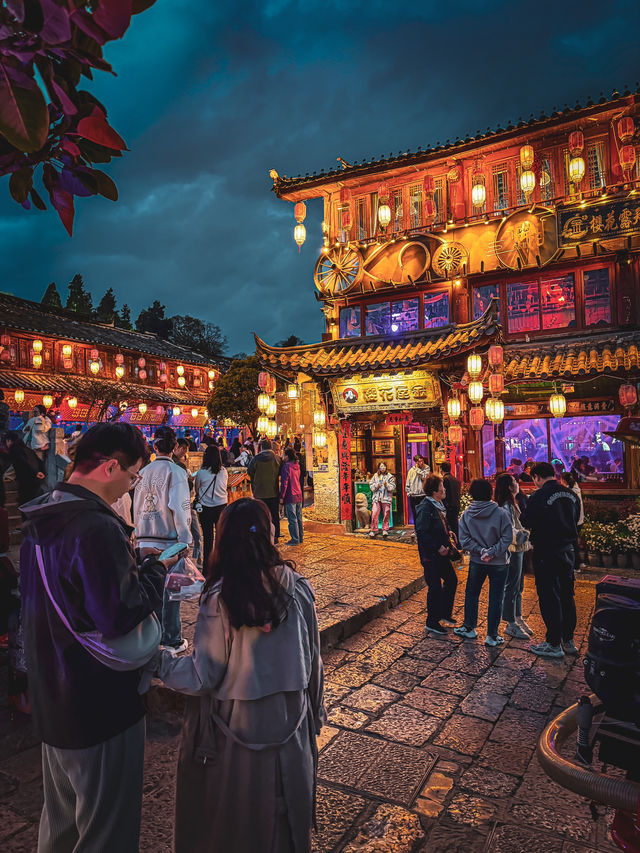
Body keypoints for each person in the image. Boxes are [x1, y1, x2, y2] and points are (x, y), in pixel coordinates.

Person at [19, 422, 177, 853]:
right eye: (133, 475)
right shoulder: (94, 526)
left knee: (60, 825)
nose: (131, 486)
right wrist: (156, 570)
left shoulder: (43, 516)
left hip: (54, 695)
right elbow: (119, 615)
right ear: (110, 467)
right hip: (99, 704)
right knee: (105, 830)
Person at [147, 498, 325, 853]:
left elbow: (202, 676)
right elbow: (314, 662)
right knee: (286, 824)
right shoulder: (298, 587)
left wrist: (159, 662)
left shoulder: (220, 598)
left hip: (238, 731)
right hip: (292, 724)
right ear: (270, 534)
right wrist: (315, 717)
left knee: (243, 826)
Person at [134, 426, 192, 656]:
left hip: (144, 539)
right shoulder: (175, 472)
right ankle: (171, 638)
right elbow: (180, 508)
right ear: (174, 447)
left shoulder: (143, 472)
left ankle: (151, 636)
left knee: (150, 588)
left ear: (154, 446)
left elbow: (136, 505)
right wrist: (185, 539)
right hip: (169, 541)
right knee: (172, 593)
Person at [521, 461, 580, 658]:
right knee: (566, 594)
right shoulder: (571, 494)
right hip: (568, 550)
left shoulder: (539, 495)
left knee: (548, 595)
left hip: (546, 550)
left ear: (537, 477)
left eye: (534, 479)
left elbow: (526, 521)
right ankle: (568, 640)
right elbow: (578, 520)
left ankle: (553, 643)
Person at [454, 478, 513, 646]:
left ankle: (469, 627)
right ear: (490, 493)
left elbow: (464, 540)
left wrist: (481, 551)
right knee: (496, 597)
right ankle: (492, 635)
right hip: (500, 563)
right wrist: (492, 552)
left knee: (472, 594)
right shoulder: (502, 513)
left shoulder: (467, 514)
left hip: (477, 561)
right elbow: (507, 537)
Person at [415, 474, 458, 635]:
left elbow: (441, 524)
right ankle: (432, 621)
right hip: (431, 555)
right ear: (435, 491)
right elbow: (422, 532)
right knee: (435, 587)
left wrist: (449, 532)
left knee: (451, 580)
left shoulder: (438, 505)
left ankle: (444, 614)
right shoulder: (426, 507)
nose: (445, 489)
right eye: (442, 487)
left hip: (442, 553)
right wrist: (437, 546)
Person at [494, 473, 532, 639]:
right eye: (515, 481)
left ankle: (518, 616)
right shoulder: (506, 506)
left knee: (519, 585)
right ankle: (510, 622)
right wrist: (526, 534)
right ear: (509, 487)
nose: (517, 483)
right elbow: (509, 530)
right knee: (512, 585)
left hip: (520, 548)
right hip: (513, 549)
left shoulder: (516, 501)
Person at [194, 445, 228, 568]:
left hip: (206, 508)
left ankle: (207, 567)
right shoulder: (223, 471)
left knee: (208, 538)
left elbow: (197, 489)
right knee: (220, 537)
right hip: (221, 506)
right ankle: (220, 565)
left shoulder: (201, 473)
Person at [247, 439, 282, 541]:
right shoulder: (277, 459)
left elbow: (250, 471)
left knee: (261, 514)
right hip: (273, 491)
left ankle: (262, 535)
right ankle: (275, 535)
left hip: (259, 492)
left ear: (261, 447)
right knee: (274, 514)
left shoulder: (256, 459)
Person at [3, 431, 46, 505]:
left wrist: (35, 473)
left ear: (9, 440)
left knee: (25, 504)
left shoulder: (15, 450)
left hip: (27, 481)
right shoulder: (27, 449)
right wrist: (42, 472)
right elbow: (40, 462)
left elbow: (23, 462)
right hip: (36, 481)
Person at [280, 447, 303, 545]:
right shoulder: (296, 465)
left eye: (284, 455)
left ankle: (294, 539)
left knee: (292, 519)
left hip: (290, 495)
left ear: (287, 456)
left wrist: (281, 497)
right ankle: (300, 538)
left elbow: (284, 483)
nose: (282, 456)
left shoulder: (286, 466)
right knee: (299, 518)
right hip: (298, 494)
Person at [561, 471, 584, 572]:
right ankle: (579, 562)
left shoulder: (570, 492)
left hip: (574, 521)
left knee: (573, 543)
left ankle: (576, 565)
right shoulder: (576, 489)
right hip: (580, 520)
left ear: (564, 480)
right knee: (575, 542)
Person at [368, 462, 395, 539]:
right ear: (378, 468)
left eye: (384, 466)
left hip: (386, 498)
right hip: (377, 498)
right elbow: (371, 485)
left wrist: (387, 485)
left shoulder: (390, 476)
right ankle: (374, 529)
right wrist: (377, 485)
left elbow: (392, 487)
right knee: (374, 512)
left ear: (386, 467)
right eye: (381, 466)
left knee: (386, 513)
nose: (382, 468)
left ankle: (385, 529)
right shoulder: (375, 476)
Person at [440, 461, 461, 537]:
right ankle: (458, 543)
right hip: (456, 504)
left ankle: (456, 543)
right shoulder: (455, 479)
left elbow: (445, 494)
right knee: (455, 525)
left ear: (441, 469)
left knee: (451, 526)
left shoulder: (445, 479)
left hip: (449, 506)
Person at [406, 454, 429, 521]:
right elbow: (408, 481)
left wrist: (417, 469)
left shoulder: (426, 468)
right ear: (416, 462)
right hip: (413, 495)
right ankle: (416, 530)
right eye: (419, 461)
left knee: (423, 513)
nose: (421, 463)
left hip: (422, 495)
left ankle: (423, 530)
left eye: (422, 461)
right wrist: (408, 492)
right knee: (415, 513)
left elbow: (424, 477)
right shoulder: (411, 470)